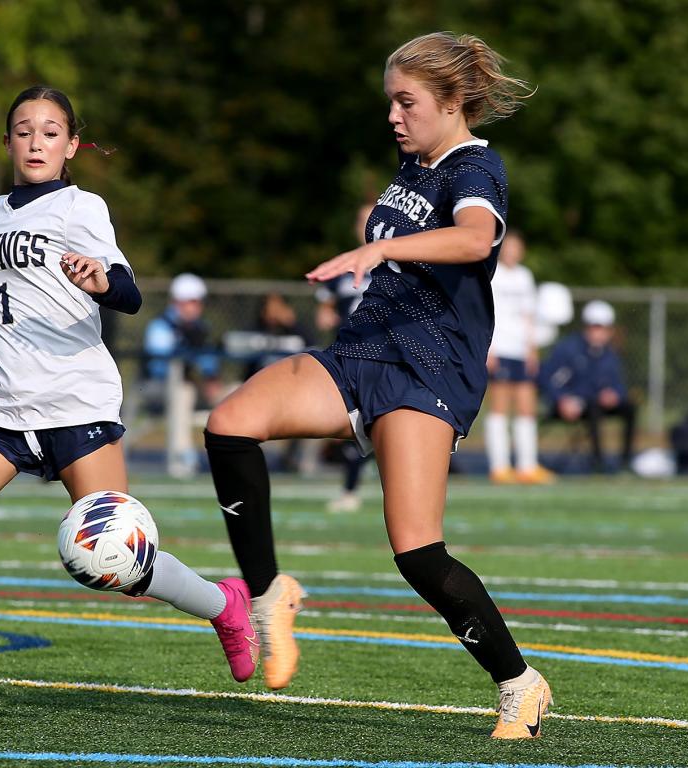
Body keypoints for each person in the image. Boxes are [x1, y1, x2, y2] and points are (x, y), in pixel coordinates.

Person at [0, 86, 258, 714]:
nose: (36, 142)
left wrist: (102, 279)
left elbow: (131, 293)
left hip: (75, 407)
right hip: (2, 409)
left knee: (123, 563)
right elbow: (11, 294)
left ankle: (225, 605)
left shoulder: (81, 206)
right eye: (24, 130)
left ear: (72, 146)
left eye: (51, 132)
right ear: (7, 142)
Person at [204, 33, 552, 739]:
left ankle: (520, 683)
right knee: (229, 422)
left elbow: (475, 240)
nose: (393, 115)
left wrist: (380, 246)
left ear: (452, 104)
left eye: (407, 101)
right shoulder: (413, 162)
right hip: (362, 350)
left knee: (417, 551)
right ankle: (270, 595)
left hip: (427, 369)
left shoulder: (474, 167)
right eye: (389, 101)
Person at [316, 204, 374, 512]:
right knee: (359, 428)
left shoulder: (399, 262)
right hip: (347, 357)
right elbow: (324, 312)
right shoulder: (344, 265)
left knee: (376, 428)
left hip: (386, 359)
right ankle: (350, 490)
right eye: (362, 219)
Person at [485, 230, 555, 484]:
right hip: (500, 348)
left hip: (520, 350)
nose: (513, 252)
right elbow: (488, 313)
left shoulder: (525, 276)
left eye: (517, 247)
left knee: (527, 407)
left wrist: (531, 348)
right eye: (509, 247)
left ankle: (527, 465)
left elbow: (528, 315)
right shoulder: (494, 275)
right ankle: (500, 466)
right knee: (500, 407)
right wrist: (489, 349)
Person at [540, 300, 636, 472]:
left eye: (604, 328)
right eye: (595, 327)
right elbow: (548, 379)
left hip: (597, 405)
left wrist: (614, 394)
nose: (599, 333)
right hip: (574, 405)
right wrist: (562, 399)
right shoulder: (568, 349)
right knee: (593, 408)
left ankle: (625, 462)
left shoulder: (610, 354)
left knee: (629, 408)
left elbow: (618, 384)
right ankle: (598, 461)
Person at [143, 272, 223, 408]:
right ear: (177, 302)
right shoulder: (160, 327)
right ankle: (178, 430)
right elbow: (159, 367)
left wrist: (211, 378)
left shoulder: (200, 327)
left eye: (198, 303)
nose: (197, 308)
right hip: (158, 385)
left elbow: (208, 362)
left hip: (191, 384)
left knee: (232, 392)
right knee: (183, 392)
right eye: (192, 302)